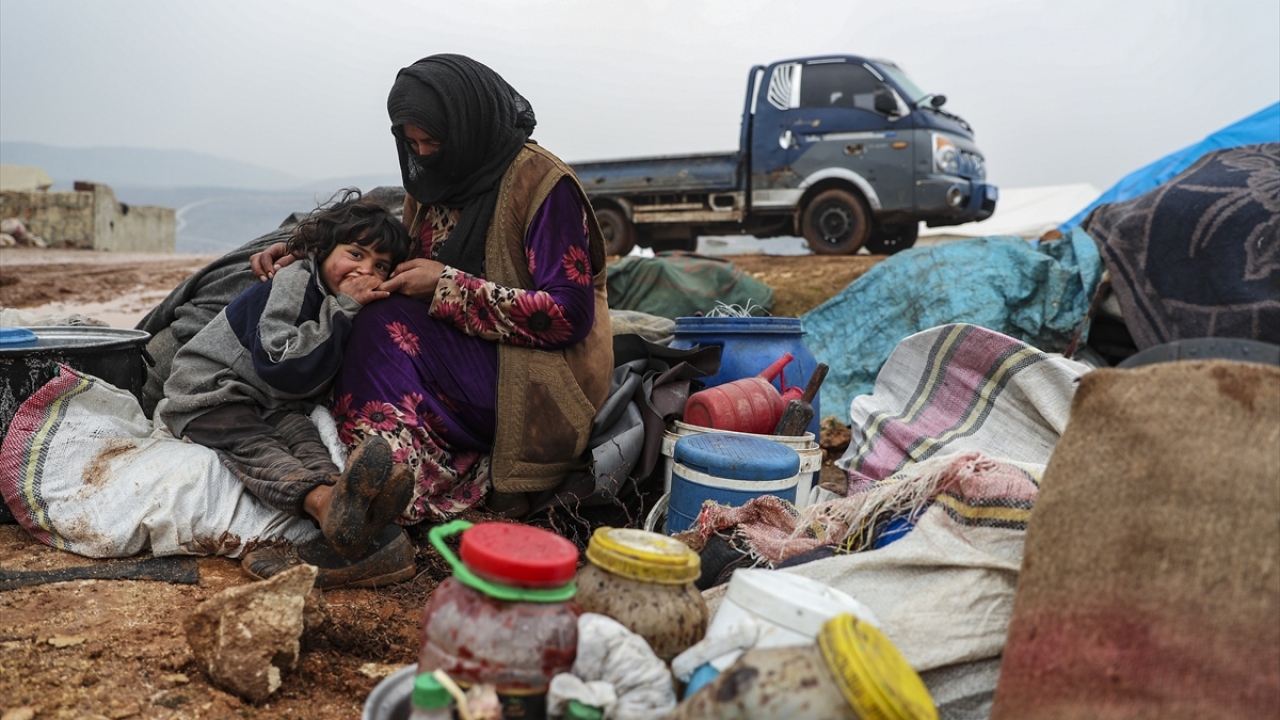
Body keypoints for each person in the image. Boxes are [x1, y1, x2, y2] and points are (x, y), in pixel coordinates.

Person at [241, 54, 614, 582]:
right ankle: (373, 488)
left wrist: (446, 286)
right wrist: (302, 251)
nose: (422, 156)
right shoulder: (433, 183)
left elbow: (568, 318)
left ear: (468, 122)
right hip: (466, 361)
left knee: (381, 323)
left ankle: (377, 518)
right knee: (366, 313)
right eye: (411, 145)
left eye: (431, 143)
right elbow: (384, 245)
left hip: (538, 382)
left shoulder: (542, 185)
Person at [156, 189, 420, 569]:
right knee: (258, 447)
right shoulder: (295, 282)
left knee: (305, 439)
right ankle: (321, 504)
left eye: (380, 266)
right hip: (210, 392)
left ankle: (349, 504)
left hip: (273, 399)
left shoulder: (334, 296)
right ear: (324, 250)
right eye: (356, 255)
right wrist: (343, 307)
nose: (366, 271)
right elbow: (280, 361)